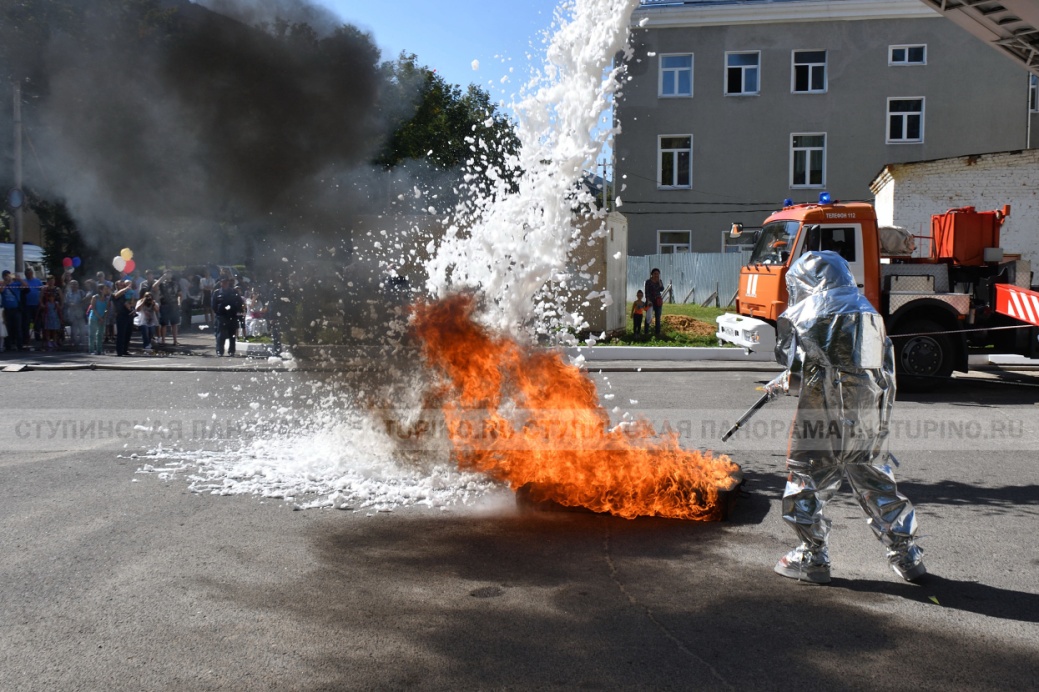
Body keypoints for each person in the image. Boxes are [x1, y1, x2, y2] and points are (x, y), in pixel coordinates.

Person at [770, 251, 924, 584]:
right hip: (865, 421)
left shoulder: (802, 315)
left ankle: (812, 559)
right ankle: (907, 556)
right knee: (876, 485)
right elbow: (887, 374)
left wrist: (781, 383)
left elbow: (797, 376)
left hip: (820, 423)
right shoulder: (870, 313)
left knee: (805, 486)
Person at [212, 276, 244, 356]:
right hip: (221, 316)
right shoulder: (217, 292)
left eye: (226, 282)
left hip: (232, 316)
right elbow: (213, 305)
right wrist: (218, 313)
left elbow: (240, 302)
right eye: (223, 282)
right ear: (220, 283)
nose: (225, 283)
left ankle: (231, 351)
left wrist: (237, 310)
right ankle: (219, 351)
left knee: (232, 335)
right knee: (220, 335)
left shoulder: (234, 292)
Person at [2, 270, 27, 351]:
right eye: (5, 275)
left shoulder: (15, 284)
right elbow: (1, 291)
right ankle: (8, 345)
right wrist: (5, 283)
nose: (7, 277)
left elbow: (25, 286)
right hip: (7, 310)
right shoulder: (2, 285)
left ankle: (19, 345)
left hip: (16, 309)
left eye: (8, 275)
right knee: (8, 328)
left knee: (18, 327)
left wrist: (19, 279)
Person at [156, 271, 182, 347]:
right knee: (163, 324)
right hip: (164, 305)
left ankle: (175, 341)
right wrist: (162, 278)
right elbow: (154, 287)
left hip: (174, 305)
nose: (168, 275)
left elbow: (180, 294)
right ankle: (163, 341)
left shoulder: (176, 283)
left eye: (169, 273)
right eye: (166, 273)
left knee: (174, 323)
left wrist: (179, 303)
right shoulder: (161, 283)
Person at [112, 279, 137, 356]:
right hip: (121, 315)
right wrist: (126, 288)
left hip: (129, 314)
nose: (123, 285)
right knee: (121, 334)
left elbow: (133, 302)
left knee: (128, 333)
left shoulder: (126, 294)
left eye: (123, 284)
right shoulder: (115, 293)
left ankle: (125, 350)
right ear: (117, 286)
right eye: (121, 284)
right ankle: (119, 351)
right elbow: (116, 296)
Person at [87, 283, 111, 355]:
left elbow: (107, 309)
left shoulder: (107, 299)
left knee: (100, 334)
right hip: (94, 317)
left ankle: (99, 350)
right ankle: (91, 350)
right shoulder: (95, 297)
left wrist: (103, 318)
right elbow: (93, 308)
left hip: (102, 318)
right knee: (92, 334)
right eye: (105, 289)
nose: (107, 290)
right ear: (101, 290)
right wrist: (99, 317)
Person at [22, 267, 42, 348]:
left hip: (36, 305)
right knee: (26, 323)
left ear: (32, 273)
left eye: (30, 273)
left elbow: (41, 291)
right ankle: (26, 338)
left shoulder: (37, 281)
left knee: (37, 322)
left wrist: (41, 302)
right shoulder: (24, 281)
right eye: (27, 273)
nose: (28, 275)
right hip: (27, 305)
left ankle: (37, 337)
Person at [64, 279, 88, 350]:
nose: (74, 285)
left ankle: (82, 342)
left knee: (82, 328)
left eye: (75, 284)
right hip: (72, 313)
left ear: (78, 285)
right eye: (72, 284)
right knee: (73, 328)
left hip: (80, 312)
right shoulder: (68, 293)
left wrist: (80, 304)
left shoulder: (81, 292)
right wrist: (70, 304)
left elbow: (85, 301)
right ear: (70, 285)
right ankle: (74, 342)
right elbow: (66, 302)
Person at [644, 267, 664, 338]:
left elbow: (662, 289)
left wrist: (659, 282)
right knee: (648, 317)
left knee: (658, 317)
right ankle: (646, 332)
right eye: (655, 274)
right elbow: (647, 292)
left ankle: (657, 333)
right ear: (652, 274)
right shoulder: (648, 282)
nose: (656, 275)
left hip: (658, 301)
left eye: (658, 274)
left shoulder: (659, 281)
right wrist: (648, 300)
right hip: (650, 301)